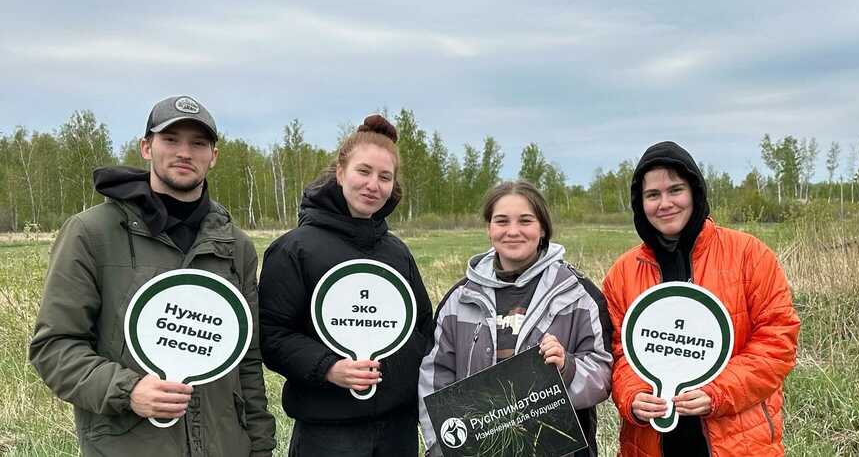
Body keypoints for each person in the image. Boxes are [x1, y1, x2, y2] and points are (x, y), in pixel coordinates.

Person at [29, 95, 276, 456]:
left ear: (214, 156)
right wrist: (129, 391)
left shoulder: (235, 245)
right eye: (170, 139)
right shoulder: (91, 233)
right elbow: (54, 347)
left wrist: (260, 447)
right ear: (146, 147)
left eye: (198, 143)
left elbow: (248, 363)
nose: (184, 153)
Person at [603, 141, 800, 456]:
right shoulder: (622, 273)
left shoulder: (749, 255)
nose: (664, 203)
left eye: (675, 190)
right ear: (640, 203)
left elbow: (777, 342)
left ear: (695, 191)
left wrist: (717, 392)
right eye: (652, 195)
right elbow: (619, 354)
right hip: (653, 444)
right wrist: (634, 396)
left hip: (738, 441)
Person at [258, 114, 434, 457]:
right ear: (340, 173)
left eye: (385, 177)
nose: (373, 185)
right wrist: (329, 368)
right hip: (328, 433)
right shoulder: (295, 249)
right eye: (364, 171)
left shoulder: (397, 252)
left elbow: (422, 327)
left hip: (397, 430)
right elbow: (272, 334)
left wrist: (401, 375)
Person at [419, 181, 613, 457]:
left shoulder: (577, 294)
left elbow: (603, 374)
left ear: (542, 228)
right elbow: (434, 377)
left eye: (525, 221)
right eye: (501, 221)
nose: (513, 231)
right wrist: (444, 447)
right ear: (489, 228)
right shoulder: (459, 300)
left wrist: (567, 367)